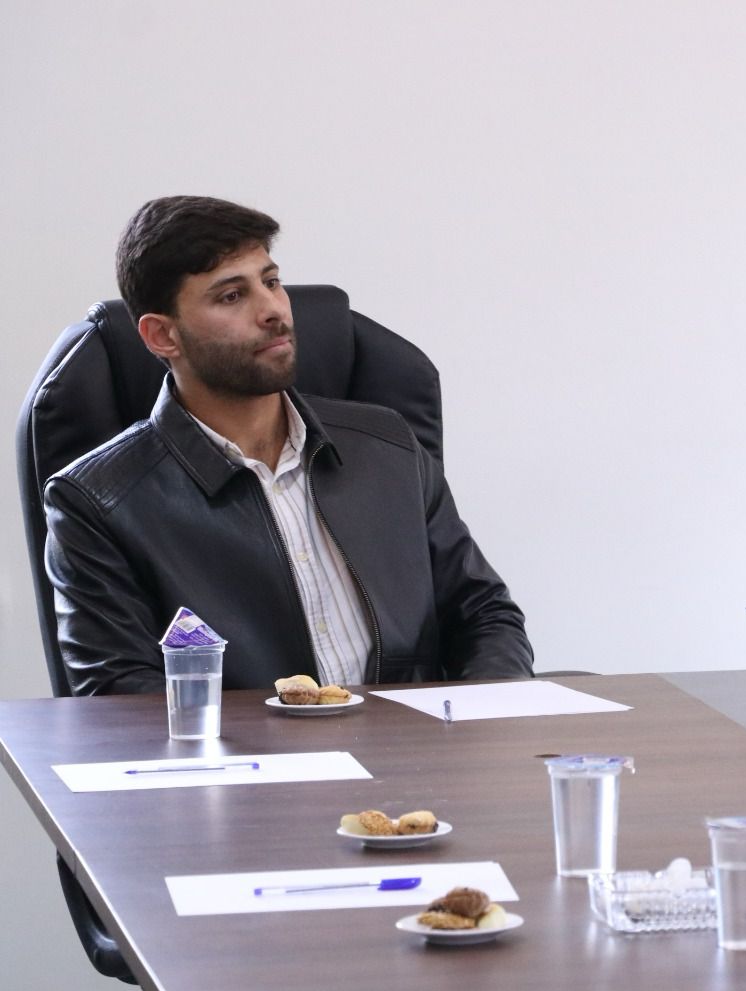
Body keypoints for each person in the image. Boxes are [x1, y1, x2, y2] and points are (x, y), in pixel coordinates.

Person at [44, 196, 534, 694]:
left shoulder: (388, 444)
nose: (273, 310)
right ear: (162, 336)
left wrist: (485, 719)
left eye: (271, 282)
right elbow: (121, 695)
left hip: (411, 741)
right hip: (237, 747)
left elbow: (485, 614)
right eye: (231, 296)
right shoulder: (96, 503)